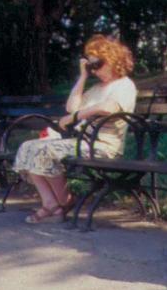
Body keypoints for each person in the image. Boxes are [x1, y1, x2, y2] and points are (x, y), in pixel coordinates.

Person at [13, 35, 137, 225]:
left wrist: (76, 117)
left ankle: (64, 203)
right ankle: (51, 204)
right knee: (28, 147)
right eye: (92, 66)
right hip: (82, 142)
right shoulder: (96, 87)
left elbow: (108, 108)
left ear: (113, 59)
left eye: (98, 64)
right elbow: (71, 106)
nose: (95, 70)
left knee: (44, 150)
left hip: (104, 146)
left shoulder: (125, 85)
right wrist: (83, 76)